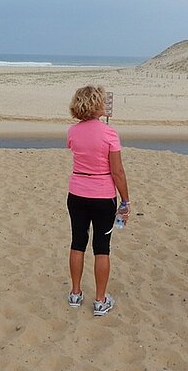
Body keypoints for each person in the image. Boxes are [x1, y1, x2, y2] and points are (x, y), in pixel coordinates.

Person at [66, 86, 130, 317]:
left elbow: (78, 149)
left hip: (77, 194)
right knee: (102, 248)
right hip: (102, 195)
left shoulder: (73, 131)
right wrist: (126, 200)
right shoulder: (109, 133)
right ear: (96, 104)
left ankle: (75, 293)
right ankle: (100, 300)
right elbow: (117, 171)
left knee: (78, 242)